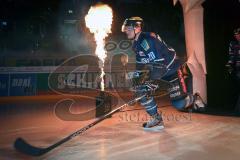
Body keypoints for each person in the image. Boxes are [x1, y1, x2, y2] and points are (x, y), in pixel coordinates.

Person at [121, 17, 206, 131]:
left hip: (171, 70)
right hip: (159, 70)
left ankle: (194, 98)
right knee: (141, 89)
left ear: (137, 28)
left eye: (128, 29)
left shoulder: (148, 40)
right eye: (125, 29)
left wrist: (153, 81)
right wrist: (135, 76)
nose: (126, 31)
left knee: (179, 104)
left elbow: (160, 63)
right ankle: (157, 120)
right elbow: (141, 64)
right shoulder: (136, 44)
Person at [226, 27, 240, 112]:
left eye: (238, 35)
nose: (237, 36)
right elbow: (231, 56)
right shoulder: (233, 44)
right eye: (235, 35)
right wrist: (229, 65)